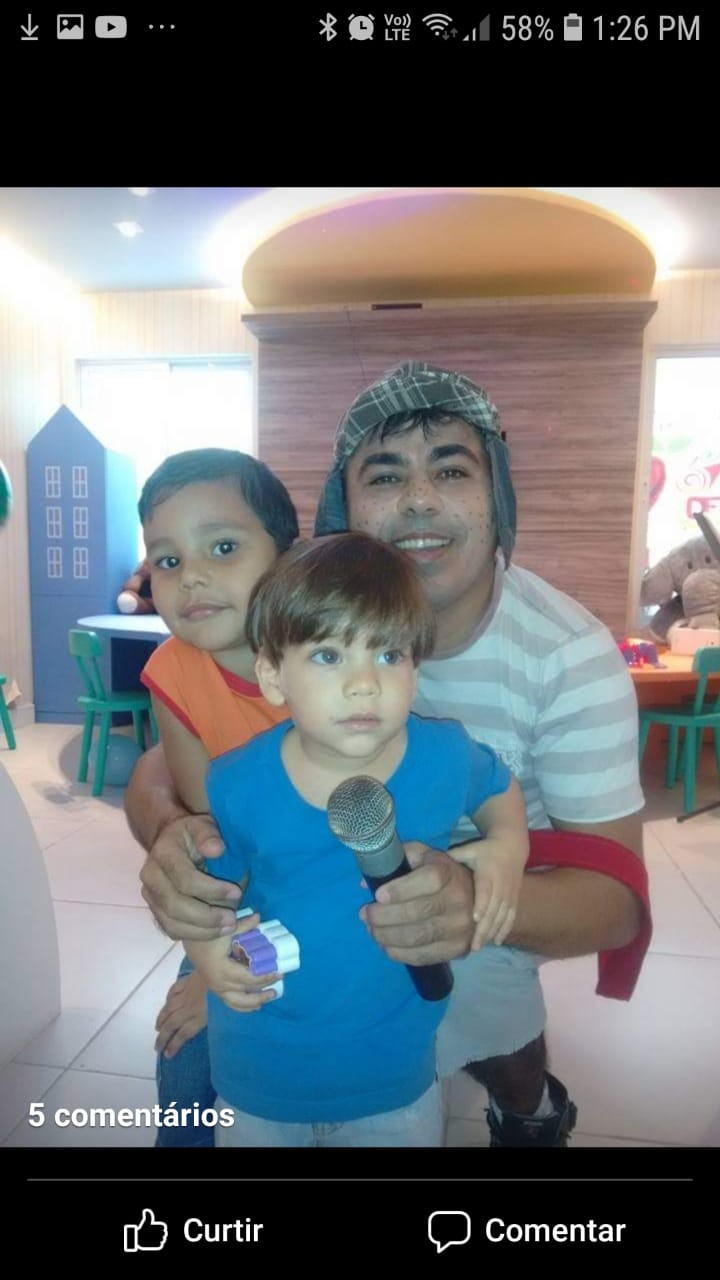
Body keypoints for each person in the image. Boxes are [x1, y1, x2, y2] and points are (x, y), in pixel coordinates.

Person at [128, 361, 646, 1148]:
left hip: (494, 893)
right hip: (286, 898)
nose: (420, 499)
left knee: (473, 999)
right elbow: (174, 767)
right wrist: (172, 842)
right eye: (385, 475)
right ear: (342, 511)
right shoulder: (301, 624)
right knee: (198, 1078)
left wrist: (479, 896)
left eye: (452, 469)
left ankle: (527, 1106)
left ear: (497, 497)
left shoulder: (567, 656)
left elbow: (618, 901)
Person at [185, 532, 528, 1145]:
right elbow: (206, 894)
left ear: (416, 671)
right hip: (261, 1062)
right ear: (272, 674)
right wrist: (207, 954)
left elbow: (497, 787)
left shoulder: (444, 754)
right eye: (328, 656)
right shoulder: (238, 781)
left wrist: (508, 847)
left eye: (389, 655)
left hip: (393, 1070)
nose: (364, 683)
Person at [136, 446, 299, 1144]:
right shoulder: (172, 671)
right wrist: (215, 962)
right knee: (185, 1068)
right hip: (242, 903)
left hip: (344, 899)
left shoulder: (331, 654)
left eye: (223, 547)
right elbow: (213, 837)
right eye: (168, 560)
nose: (192, 576)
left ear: (287, 558)